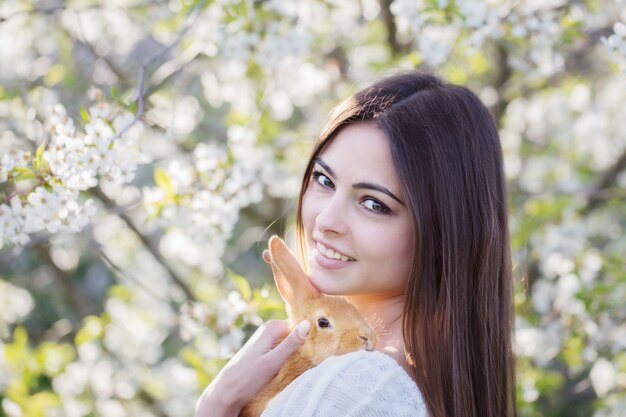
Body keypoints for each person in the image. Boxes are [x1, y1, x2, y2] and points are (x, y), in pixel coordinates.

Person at [195, 71, 517, 417]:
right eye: (323, 179)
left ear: (441, 235)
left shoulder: (351, 389)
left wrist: (215, 407)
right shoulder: (435, 383)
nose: (326, 221)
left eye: (374, 204)